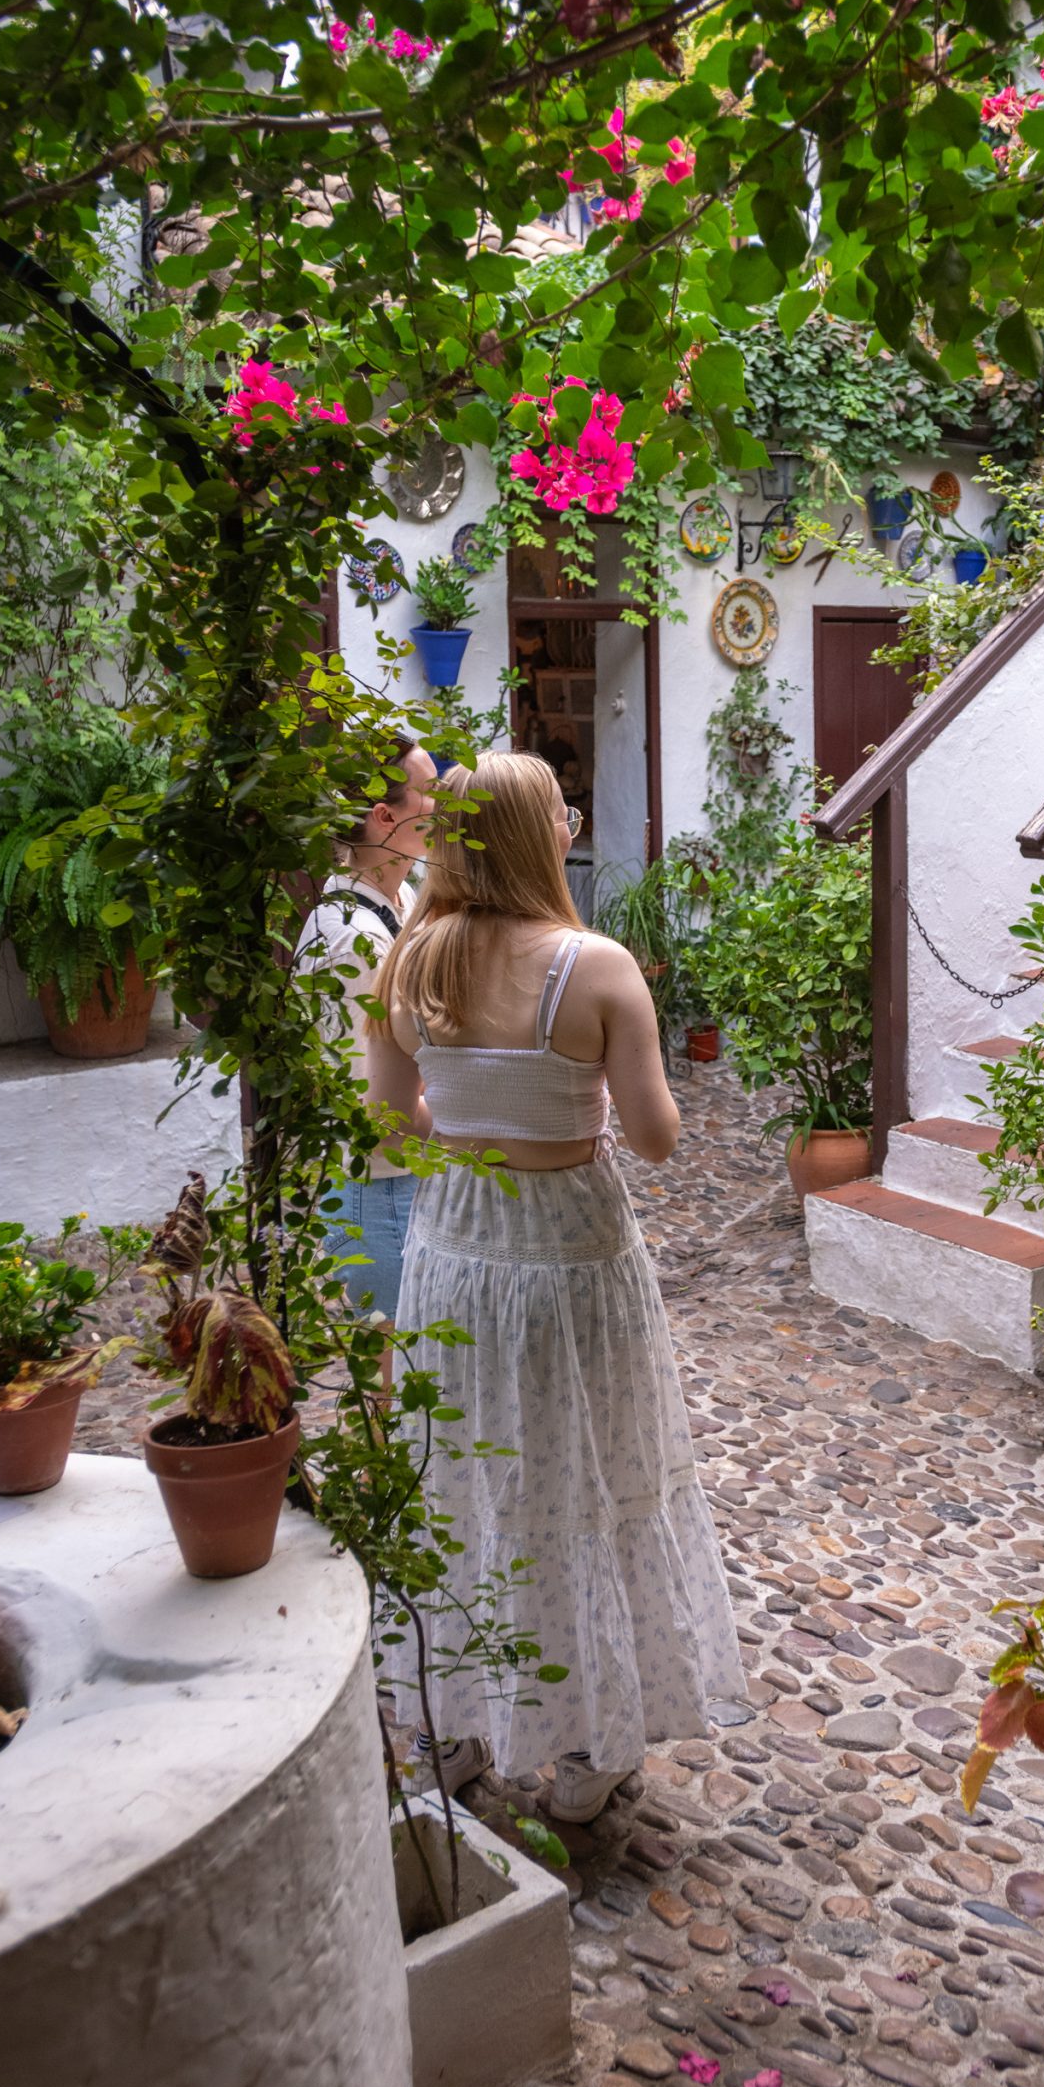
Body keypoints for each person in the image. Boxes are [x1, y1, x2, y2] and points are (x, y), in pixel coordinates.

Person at [368, 751, 744, 1820]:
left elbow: (394, 1126)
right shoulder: (599, 967)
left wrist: (474, 1111)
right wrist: (565, 1099)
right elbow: (658, 1137)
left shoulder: (409, 962)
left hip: (456, 1246)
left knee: (464, 1471)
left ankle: (451, 1729)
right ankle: (584, 1749)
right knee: (585, 1472)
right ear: (547, 837)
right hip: (573, 1247)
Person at [296, 732, 438, 1319]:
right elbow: (375, 1112)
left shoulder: (400, 898)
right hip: (377, 1188)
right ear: (384, 817)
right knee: (397, 1360)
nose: (443, 808)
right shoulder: (353, 942)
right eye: (431, 794)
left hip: (404, 1177)